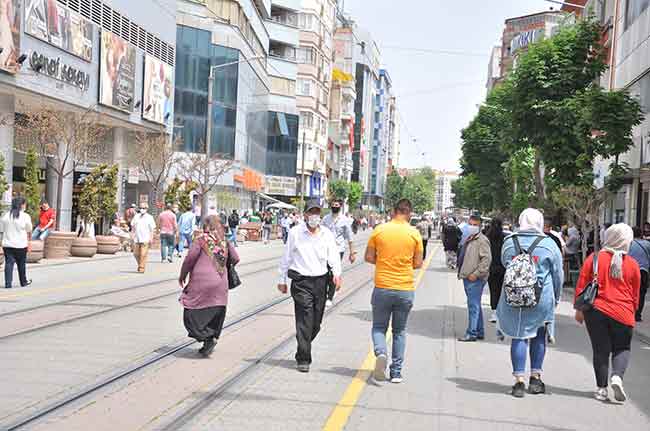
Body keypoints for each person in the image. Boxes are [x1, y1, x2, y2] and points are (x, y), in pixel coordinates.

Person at [498, 208, 563, 398]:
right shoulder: (549, 244)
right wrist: (556, 298)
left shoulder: (509, 242)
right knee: (538, 335)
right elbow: (558, 274)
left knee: (518, 336)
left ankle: (518, 381)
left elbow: (504, 263)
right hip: (541, 297)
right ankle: (535, 378)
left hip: (514, 296)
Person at [575, 224, 640, 403]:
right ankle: (617, 377)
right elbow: (635, 294)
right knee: (622, 348)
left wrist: (579, 310)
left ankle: (601, 389)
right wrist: (632, 313)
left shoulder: (594, 258)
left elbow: (582, 284)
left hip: (596, 311)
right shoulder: (633, 265)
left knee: (601, 350)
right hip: (623, 312)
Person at [278, 199, 342, 373]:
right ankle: (303, 358)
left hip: (320, 282)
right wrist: (282, 279)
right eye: (311, 212)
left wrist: (337, 274)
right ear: (305, 214)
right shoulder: (295, 233)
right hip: (301, 282)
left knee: (316, 324)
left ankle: (303, 343)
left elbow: (334, 256)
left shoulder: (327, 234)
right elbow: (286, 257)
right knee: (305, 318)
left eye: (317, 213)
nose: (314, 216)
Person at [365, 199, 423, 383]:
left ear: (393, 211)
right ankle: (396, 372)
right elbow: (418, 263)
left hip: (382, 287)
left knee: (379, 328)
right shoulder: (414, 234)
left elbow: (368, 257)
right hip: (404, 289)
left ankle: (381, 353)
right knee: (399, 331)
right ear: (409, 213)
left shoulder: (379, 230)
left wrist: (383, 262)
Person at [179, 215, 239, 357]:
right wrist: (223, 264)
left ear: (205, 226)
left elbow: (189, 259)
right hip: (220, 284)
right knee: (215, 311)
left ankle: (205, 337)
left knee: (191, 312)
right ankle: (210, 339)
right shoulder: (225, 242)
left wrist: (183, 275)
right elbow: (236, 258)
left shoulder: (201, 240)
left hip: (201, 283)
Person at [457, 213, 491, 342]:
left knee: (473, 306)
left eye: (475, 225)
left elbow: (486, 260)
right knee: (475, 304)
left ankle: (471, 333)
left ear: (480, 226)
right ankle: (479, 330)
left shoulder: (482, 240)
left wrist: (475, 274)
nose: (471, 227)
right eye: (470, 224)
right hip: (468, 277)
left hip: (474, 278)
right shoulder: (470, 238)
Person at [322, 199, 357, 306]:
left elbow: (350, 237)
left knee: (333, 272)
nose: (334, 207)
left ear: (340, 207)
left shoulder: (345, 220)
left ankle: (330, 296)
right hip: (326, 249)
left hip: (338, 249)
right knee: (325, 272)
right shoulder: (325, 219)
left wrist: (352, 253)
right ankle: (325, 292)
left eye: (336, 205)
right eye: (333, 205)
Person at [1, 197, 33, 289]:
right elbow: (29, 229)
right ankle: (23, 282)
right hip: (20, 244)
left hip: (7, 244)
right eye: (25, 204)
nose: (25, 206)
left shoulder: (6, 215)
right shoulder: (25, 216)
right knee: (21, 263)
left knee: (9, 263)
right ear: (22, 205)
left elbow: (2, 229)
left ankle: (8, 283)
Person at [486, 218, 506, 324]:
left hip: (491, 268)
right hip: (503, 268)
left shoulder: (487, 237)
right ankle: (501, 313)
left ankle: (494, 313)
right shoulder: (505, 237)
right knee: (502, 291)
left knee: (493, 290)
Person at [629, 227, 650, 322]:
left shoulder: (628, 244)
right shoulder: (647, 244)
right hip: (643, 271)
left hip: (630, 272)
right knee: (641, 293)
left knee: (629, 292)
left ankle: (630, 312)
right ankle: (637, 315)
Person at [131, 203, 156, 273]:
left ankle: (141, 267)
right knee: (136, 254)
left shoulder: (150, 217)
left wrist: (151, 237)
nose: (142, 209)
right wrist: (132, 235)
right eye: (141, 208)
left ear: (147, 209)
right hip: (137, 238)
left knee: (143, 254)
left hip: (145, 239)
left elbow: (152, 229)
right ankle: (140, 264)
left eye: (144, 208)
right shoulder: (136, 216)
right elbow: (133, 227)